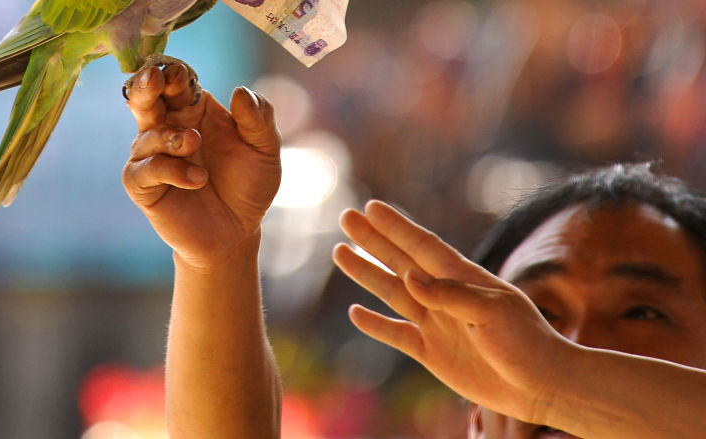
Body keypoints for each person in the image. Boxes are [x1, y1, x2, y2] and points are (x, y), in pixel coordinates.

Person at [120, 63, 706, 439]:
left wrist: (561, 385)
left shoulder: (556, 372)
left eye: (642, 313)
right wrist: (217, 260)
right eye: (539, 316)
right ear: (475, 417)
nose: (566, 346)